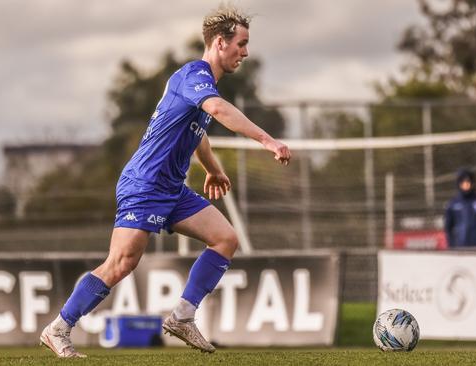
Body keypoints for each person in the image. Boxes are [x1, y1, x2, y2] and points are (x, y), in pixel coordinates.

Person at [39, 5, 291, 358]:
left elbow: (198, 134)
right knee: (121, 263)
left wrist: (214, 170)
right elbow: (217, 111)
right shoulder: (194, 75)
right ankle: (58, 328)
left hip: (171, 189)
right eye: (242, 44)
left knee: (225, 239)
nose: (245, 53)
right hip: (145, 183)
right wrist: (268, 141)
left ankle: (183, 317)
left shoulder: (202, 88)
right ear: (221, 42)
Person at [444, 168, 476, 249]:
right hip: (460, 248)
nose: (466, 185)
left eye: (468, 182)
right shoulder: (453, 204)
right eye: (463, 182)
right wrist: (452, 245)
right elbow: (448, 227)